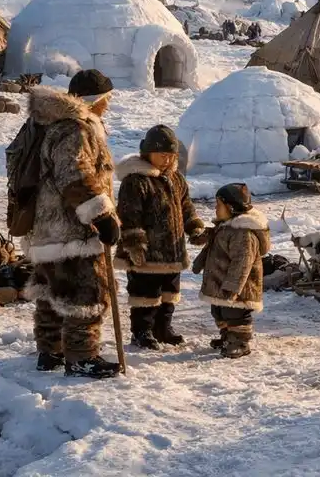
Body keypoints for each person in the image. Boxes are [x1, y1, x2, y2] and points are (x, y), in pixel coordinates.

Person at [22, 69, 123, 378]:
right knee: (86, 294)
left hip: (49, 228)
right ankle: (81, 356)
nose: (108, 105)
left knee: (53, 293)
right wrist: (101, 215)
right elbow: (75, 176)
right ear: (96, 100)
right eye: (107, 99)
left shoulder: (53, 125)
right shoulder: (74, 130)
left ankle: (50, 352)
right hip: (72, 229)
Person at [114, 125, 207, 349]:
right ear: (148, 153)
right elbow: (129, 216)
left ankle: (162, 327)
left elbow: (186, 207)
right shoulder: (136, 181)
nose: (166, 160)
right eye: (162, 155)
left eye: (170, 156)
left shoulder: (176, 180)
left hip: (172, 251)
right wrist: (135, 246)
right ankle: (141, 331)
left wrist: (195, 228)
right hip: (145, 253)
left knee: (169, 293)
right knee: (145, 294)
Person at [193, 183, 270, 359]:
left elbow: (242, 263)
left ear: (231, 207)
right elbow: (211, 248)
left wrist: (232, 286)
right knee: (219, 311)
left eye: (218, 205)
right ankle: (228, 337)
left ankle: (239, 342)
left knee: (235, 314)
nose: (215, 208)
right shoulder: (225, 227)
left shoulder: (242, 233)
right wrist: (199, 263)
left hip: (239, 288)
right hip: (220, 282)